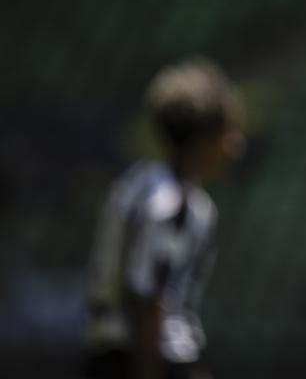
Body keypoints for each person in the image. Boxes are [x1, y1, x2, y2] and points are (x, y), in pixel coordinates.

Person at [83, 57, 246, 379]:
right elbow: (147, 296)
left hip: (109, 354)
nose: (237, 146)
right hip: (150, 357)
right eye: (230, 133)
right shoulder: (175, 205)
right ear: (204, 139)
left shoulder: (138, 183)